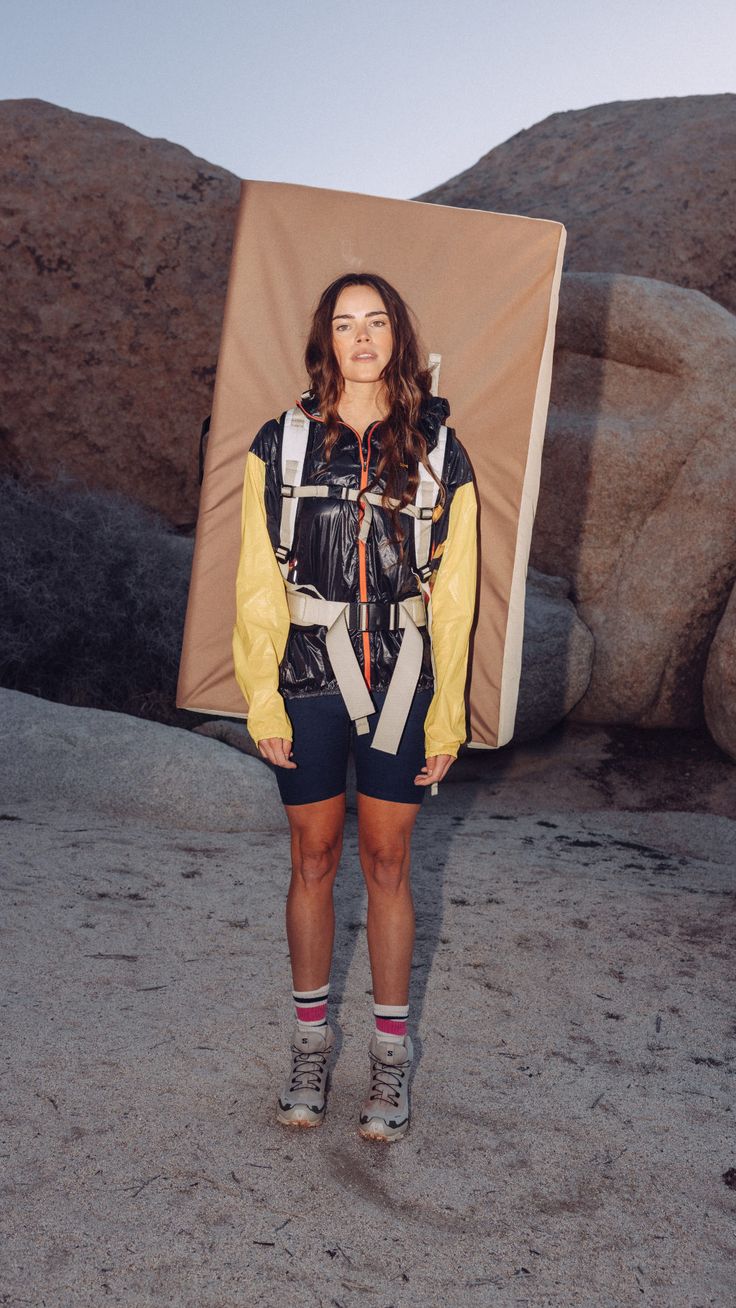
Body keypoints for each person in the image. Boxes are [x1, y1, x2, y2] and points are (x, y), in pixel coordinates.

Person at [232, 272, 478, 1142]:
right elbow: (257, 581)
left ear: (398, 337)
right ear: (326, 339)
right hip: (305, 673)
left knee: (387, 861)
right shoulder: (283, 443)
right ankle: (309, 1043)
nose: (362, 337)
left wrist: (448, 715)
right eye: (345, 323)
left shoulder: (441, 451)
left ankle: (389, 1058)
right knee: (312, 854)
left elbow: (456, 598)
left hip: (404, 673)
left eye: (376, 322)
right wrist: (260, 696)